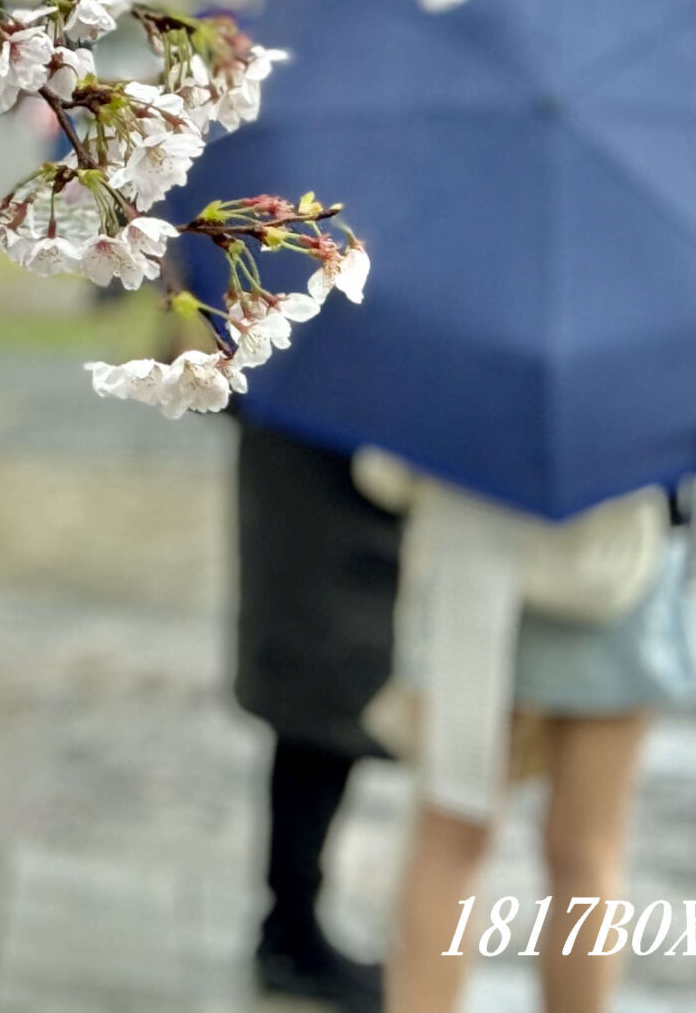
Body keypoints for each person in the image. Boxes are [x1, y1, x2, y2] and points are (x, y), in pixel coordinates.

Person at [369, 466, 696, 1013]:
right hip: (615, 563)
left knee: (448, 838)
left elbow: (384, 471)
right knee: (588, 850)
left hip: (470, 565)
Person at [232, 411, 403, 1011]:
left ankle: (292, 925)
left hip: (328, 472)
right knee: (319, 706)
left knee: (325, 708)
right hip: (319, 480)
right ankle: (291, 929)